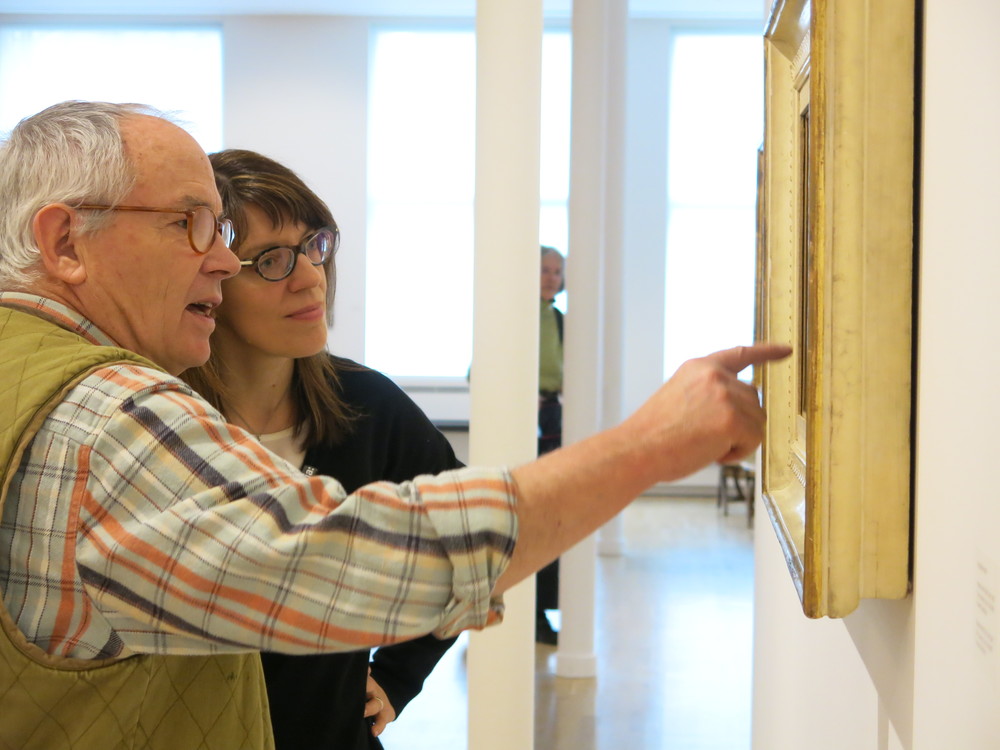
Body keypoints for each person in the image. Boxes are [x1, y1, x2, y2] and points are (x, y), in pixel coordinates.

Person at [0, 100, 789, 749]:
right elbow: (365, 565)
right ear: (65, 241)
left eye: (311, 246)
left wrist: (397, 678)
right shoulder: (115, 416)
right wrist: (654, 441)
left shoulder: (30, 367)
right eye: (190, 225)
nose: (219, 260)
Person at [180, 148, 461, 748]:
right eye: (273, 260)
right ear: (209, 278)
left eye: (315, 246)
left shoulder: (366, 406)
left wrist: (398, 674)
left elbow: (467, 538)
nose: (311, 276)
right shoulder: (162, 421)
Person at [536, 245, 565, 644]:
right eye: (544, 269)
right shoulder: (514, 316)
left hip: (553, 421)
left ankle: (544, 610)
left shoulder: (559, 319)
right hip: (519, 420)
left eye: (557, 271)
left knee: (553, 514)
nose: (551, 277)